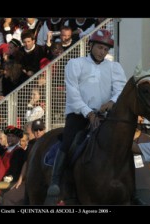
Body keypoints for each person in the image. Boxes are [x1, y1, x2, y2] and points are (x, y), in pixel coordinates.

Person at [47, 29, 127, 198]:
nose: (102, 52)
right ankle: (55, 180)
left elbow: (121, 89)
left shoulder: (114, 67)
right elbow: (73, 93)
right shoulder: (75, 64)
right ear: (91, 46)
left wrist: (112, 101)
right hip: (78, 114)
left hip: (105, 116)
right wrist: (89, 114)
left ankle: (129, 187)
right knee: (68, 141)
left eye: (106, 49)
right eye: (99, 48)